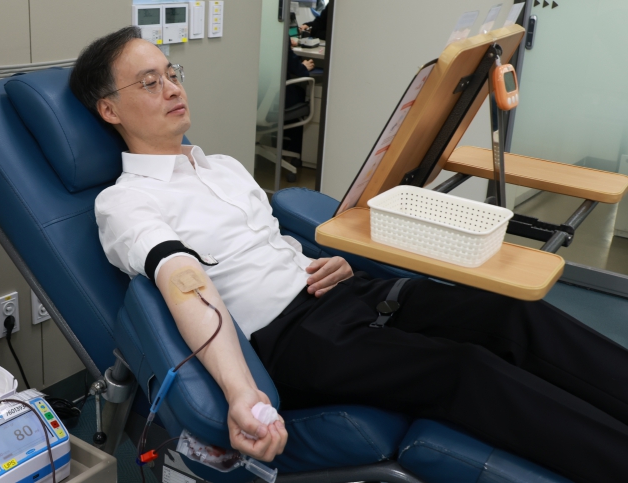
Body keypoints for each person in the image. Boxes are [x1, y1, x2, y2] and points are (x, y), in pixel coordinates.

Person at [70, 27, 628, 483]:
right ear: (110, 109)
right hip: (294, 338)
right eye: (150, 82)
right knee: (465, 370)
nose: (172, 88)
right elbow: (184, 282)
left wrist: (326, 261)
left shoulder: (223, 167)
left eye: (172, 73)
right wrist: (243, 393)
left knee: (510, 314)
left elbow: (265, 245)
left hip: (341, 291)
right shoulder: (125, 201)